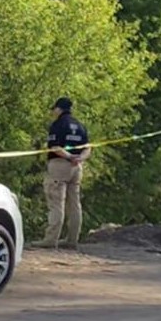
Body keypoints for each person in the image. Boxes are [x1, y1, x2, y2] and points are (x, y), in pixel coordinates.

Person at [32, 97, 91, 250]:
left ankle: (51, 239)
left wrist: (69, 156)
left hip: (59, 165)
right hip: (77, 167)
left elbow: (55, 147)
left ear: (59, 109)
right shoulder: (80, 125)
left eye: (54, 109)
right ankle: (72, 239)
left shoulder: (58, 125)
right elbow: (88, 148)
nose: (53, 112)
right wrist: (79, 158)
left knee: (56, 202)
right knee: (74, 203)